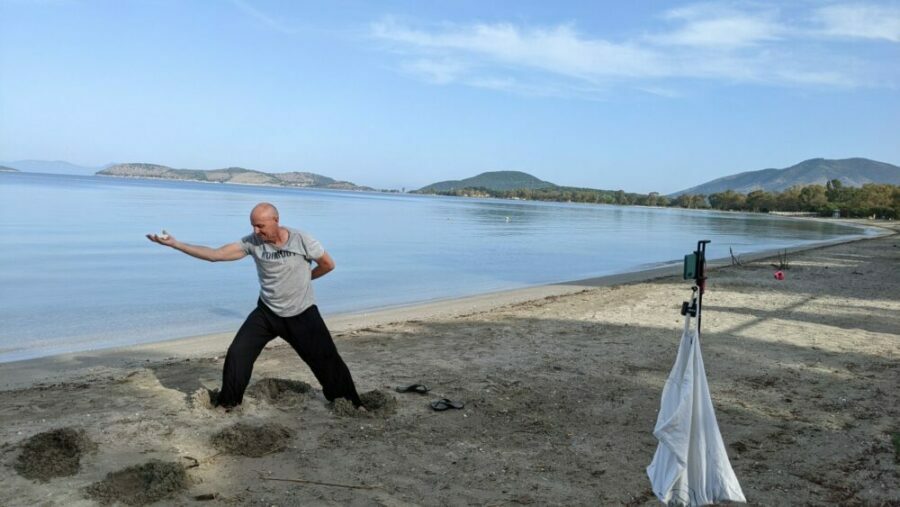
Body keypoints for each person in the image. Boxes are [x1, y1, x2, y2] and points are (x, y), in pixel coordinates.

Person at [146, 202, 362, 409]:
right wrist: (176, 244)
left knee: (326, 360)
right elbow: (215, 255)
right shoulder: (252, 242)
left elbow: (327, 265)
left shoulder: (302, 240)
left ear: (276, 220)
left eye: (261, 225)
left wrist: (305, 280)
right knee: (238, 353)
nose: (256, 230)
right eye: (253, 225)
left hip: (301, 313)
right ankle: (228, 404)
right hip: (267, 313)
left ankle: (350, 404)